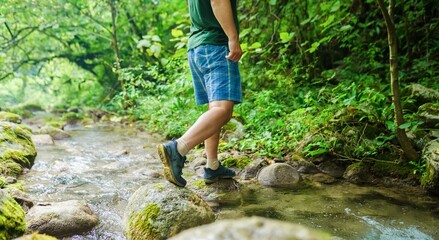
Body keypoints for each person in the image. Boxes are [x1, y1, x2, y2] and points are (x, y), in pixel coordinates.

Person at [157, 0, 242, 187]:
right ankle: (178, 148)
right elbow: (217, 1)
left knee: (215, 108)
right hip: (216, 45)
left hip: (197, 47)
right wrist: (233, 38)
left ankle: (212, 166)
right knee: (223, 110)